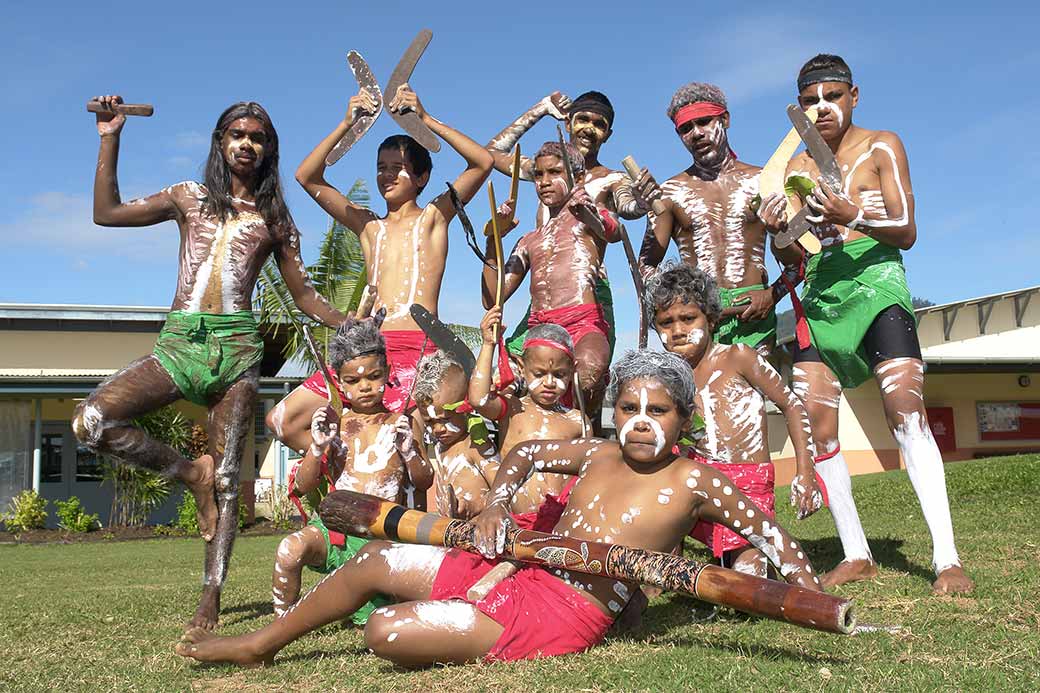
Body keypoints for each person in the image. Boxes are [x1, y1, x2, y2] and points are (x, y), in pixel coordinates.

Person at [175, 350, 822, 667]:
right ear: (613, 412)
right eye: (629, 407)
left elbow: (770, 534)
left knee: (386, 632)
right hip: (519, 562)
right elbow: (521, 457)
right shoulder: (596, 452)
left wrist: (810, 592)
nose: (642, 422)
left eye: (659, 410)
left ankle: (593, 612)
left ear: (683, 418)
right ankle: (261, 642)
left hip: (567, 608)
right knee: (374, 558)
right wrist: (497, 508)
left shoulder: (697, 481)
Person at [73, 96, 346, 630]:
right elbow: (106, 214)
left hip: (238, 350)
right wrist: (110, 136)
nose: (247, 144)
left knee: (227, 478)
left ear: (269, 151)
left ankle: (210, 597)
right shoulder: (189, 197)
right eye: (238, 135)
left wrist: (350, 318)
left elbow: (306, 298)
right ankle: (186, 472)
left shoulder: (274, 218)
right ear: (220, 142)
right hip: (180, 344)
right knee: (91, 421)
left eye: (258, 138)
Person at [757, 54, 973, 594]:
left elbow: (906, 229)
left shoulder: (883, 145)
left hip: (877, 286)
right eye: (810, 101)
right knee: (818, 425)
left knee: (905, 410)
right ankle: (857, 552)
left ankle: (947, 559)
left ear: (854, 95)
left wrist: (849, 214)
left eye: (832, 96)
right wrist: (774, 232)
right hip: (822, 295)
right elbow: (795, 257)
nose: (822, 108)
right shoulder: (798, 169)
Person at [266, 84, 494, 454]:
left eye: (398, 169)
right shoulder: (369, 227)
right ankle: (348, 468)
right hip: (371, 352)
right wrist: (348, 125)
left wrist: (424, 120)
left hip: (421, 352)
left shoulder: (435, 217)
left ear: (421, 178)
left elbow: (482, 162)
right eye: (381, 169)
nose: (387, 176)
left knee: (412, 445)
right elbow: (307, 176)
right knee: (281, 419)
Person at [645, 262, 822, 576]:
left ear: (711, 319)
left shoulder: (738, 357)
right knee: (661, 568)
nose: (677, 330)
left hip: (746, 488)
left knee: (746, 585)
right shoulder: (667, 380)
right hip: (695, 490)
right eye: (666, 322)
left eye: (688, 318)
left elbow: (792, 406)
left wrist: (806, 474)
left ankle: (742, 563)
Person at [271, 315, 429, 622]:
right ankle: (282, 623)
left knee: (371, 619)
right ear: (339, 382)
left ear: (388, 373)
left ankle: (360, 598)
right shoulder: (335, 425)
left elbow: (424, 480)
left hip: (379, 534)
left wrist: (409, 451)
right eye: (353, 381)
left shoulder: (403, 422)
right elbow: (303, 486)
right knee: (289, 550)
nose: (365, 387)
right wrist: (316, 448)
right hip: (334, 528)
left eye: (373, 376)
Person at [485, 90, 645, 388]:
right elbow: (490, 154)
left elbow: (626, 209)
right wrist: (541, 109)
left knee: (586, 383)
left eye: (599, 124)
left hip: (587, 292)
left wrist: (642, 202)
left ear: (608, 134)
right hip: (543, 299)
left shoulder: (612, 179)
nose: (589, 128)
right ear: (568, 123)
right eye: (582, 119)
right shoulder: (545, 173)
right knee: (525, 384)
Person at [635, 82, 780, 354]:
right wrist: (680, 305)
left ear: (725, 119)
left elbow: (803, 255)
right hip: (697, 320)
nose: (696, 133)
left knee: (751, 396)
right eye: (685, 129)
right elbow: (645, 264)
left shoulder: (763, 180)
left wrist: (772, 294)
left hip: (753, 315)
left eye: (704, 122)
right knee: (698, 396)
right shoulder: (671, 192)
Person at [480, 141, 618, 423]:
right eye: (538, 175)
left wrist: (589, 212)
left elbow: (613, 232)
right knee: (495, 391)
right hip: (539, 330)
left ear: (577, 178)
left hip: (582, 323)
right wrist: (494, 238)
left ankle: (585, 436)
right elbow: (492, 296)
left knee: (587, 376)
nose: (544, 182)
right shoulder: (530, 240)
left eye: (554, 172)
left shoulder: (588, 220)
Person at [468, 307, 587, 529]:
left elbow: (589, 473)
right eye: (540, 374)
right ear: (522, 368)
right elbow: (478, 400)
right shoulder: (512, 408)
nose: (550, 383)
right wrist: (488, 345)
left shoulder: (577, 421)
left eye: (559, 375)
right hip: (514, 522)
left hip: (562, 523)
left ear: (572, 371)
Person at [410, 351, 500, 520]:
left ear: (465, 408)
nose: (438, 429)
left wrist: (475, 506)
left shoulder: (476, 444)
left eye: (445, 419)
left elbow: (504, 491)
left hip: (480, 528)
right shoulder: (440, 446)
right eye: (429, 422)